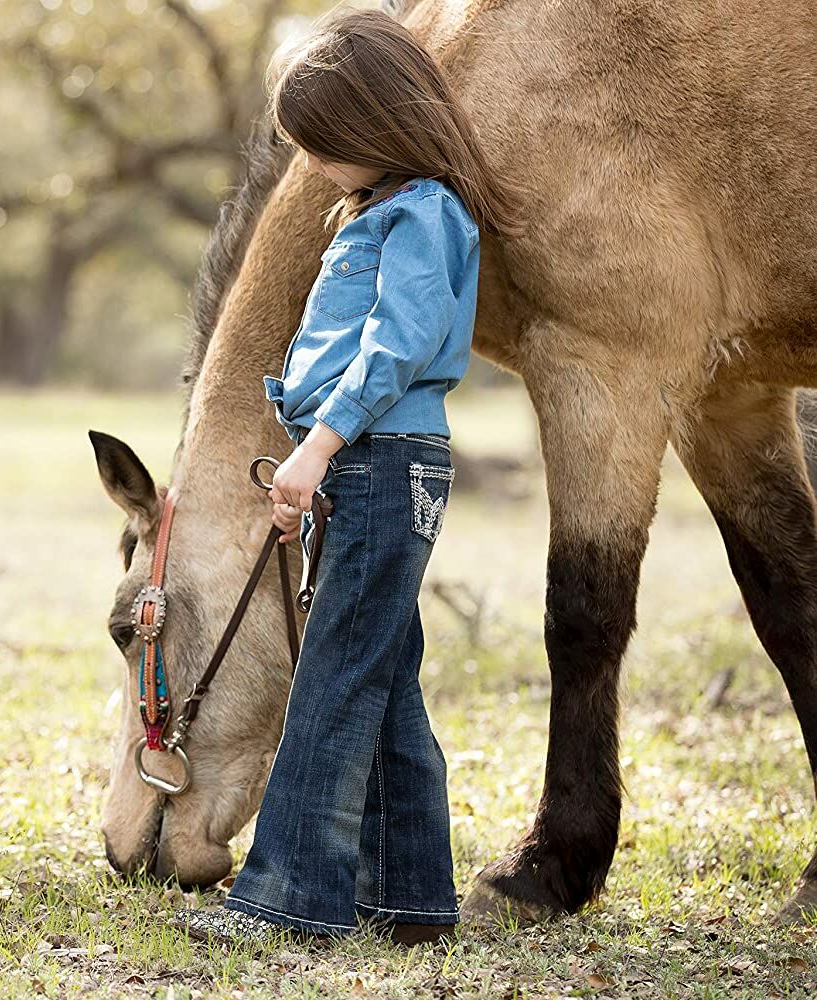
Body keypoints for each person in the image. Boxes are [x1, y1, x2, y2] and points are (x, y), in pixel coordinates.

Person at [169, 6, 525, 947]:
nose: (317, 164)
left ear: (377, 126)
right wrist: (316, 461)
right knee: (385, 674)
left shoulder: (423, 215)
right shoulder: (379, 210)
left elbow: (395, 348)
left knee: (334, 675)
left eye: (327, 145)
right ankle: (409, 898)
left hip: (379, 458)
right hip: (359, 464)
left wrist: (317, 446)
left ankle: (292, 896)